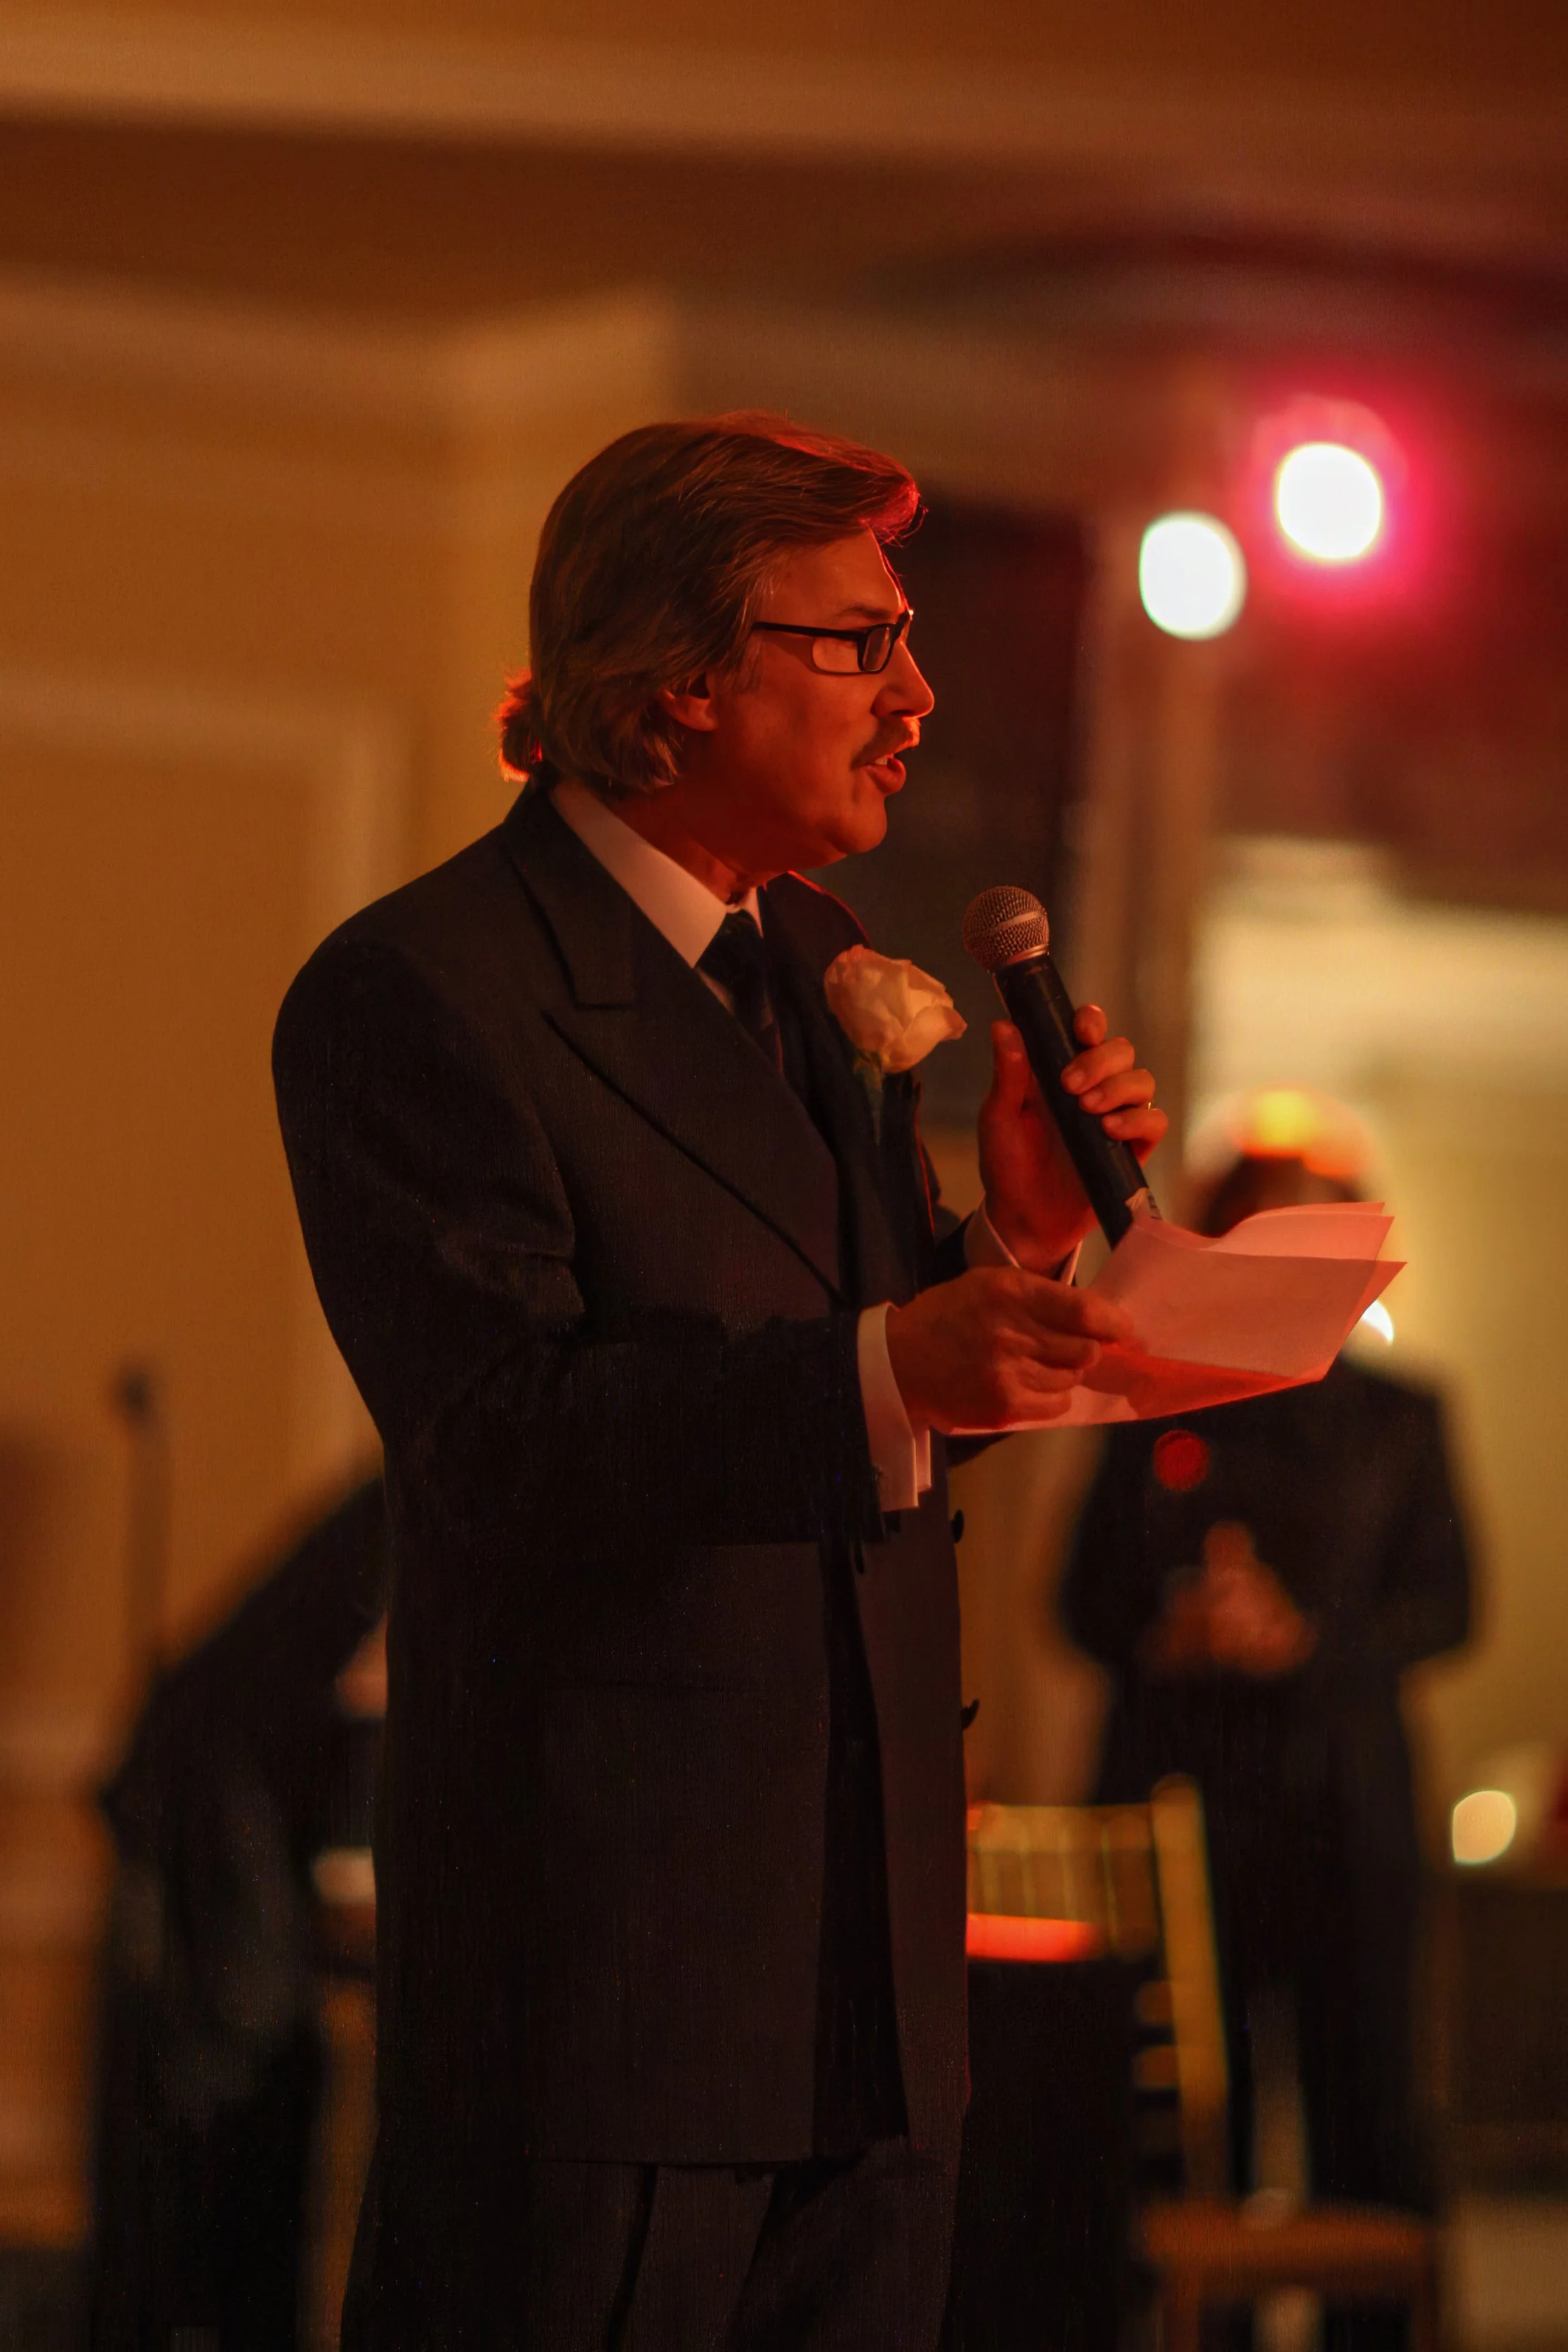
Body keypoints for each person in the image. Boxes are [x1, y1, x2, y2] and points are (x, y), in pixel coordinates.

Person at [272, 413, 1165, 2349]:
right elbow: (500, 1438)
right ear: (675, 672)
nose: (915, 691)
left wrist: (1010, 1242)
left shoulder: (819, 961)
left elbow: (873, 1409)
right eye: (855, 641)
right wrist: (885, 1355)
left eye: (906, 635)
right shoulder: (428, 985)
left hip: (868, 1987)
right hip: (608, 2001)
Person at [1061, 1145, 1473, 2350]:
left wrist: (1303, 1637)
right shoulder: (1153, 1409)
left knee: (1367, 2106)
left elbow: (1447, 1602)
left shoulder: (1400, 1416)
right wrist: (1169, 1630)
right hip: (1187, 1812)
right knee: (1191, 2127)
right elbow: (1077, 1604)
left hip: (1341, 1811)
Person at [89, 1476, 386, 2351]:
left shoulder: (388, 1509)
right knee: (249, 2100)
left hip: (214, 1812)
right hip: (222, 1831)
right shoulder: (418, 1516)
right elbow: (364, 1697)